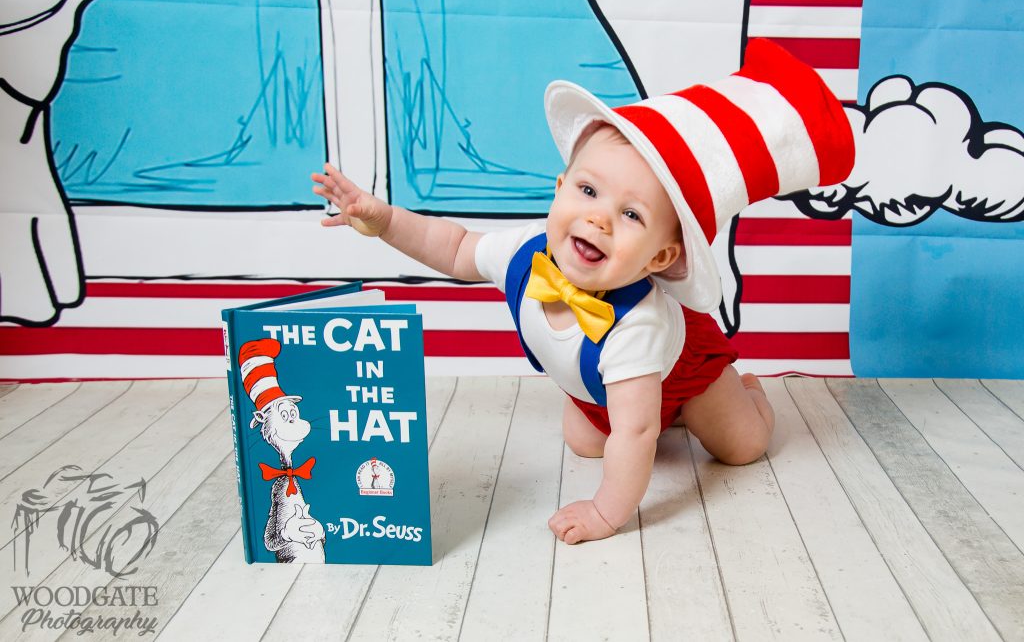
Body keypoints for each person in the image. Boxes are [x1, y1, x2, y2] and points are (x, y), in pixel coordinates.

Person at [311, 38, 854, 545]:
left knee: (741, 446)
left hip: (684, 370)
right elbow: (452, 248)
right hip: (601, 390)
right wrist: (385, 220)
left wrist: (605, 512)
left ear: (660, 259)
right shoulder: (524, 252)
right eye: (589, 189)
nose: (599, 219)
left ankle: (745, 393)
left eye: (632, 214)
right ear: (559, 188)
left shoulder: (638, 327)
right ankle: (658, 412)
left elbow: (636, 433)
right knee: (587, 441)